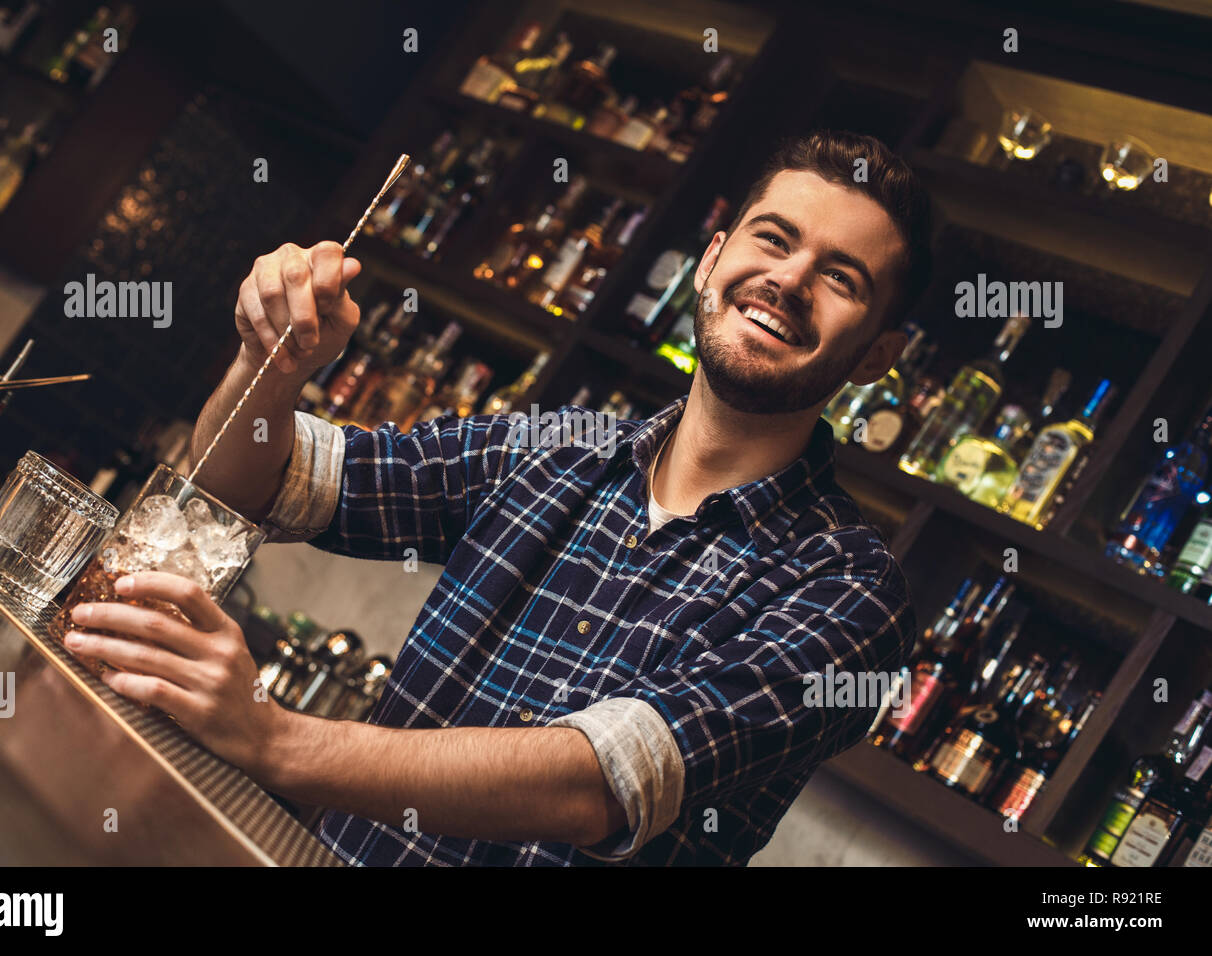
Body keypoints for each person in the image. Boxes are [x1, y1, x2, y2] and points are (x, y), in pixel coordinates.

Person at [64, 129, 932, 865]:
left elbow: (597, 784)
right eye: (773, 239)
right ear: (712, 260)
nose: (788, 278)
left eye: (842, 278)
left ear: (874, 358)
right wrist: (269, 367)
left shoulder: (853, 596)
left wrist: (273, 740)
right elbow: (247, 483)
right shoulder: (551, 448)